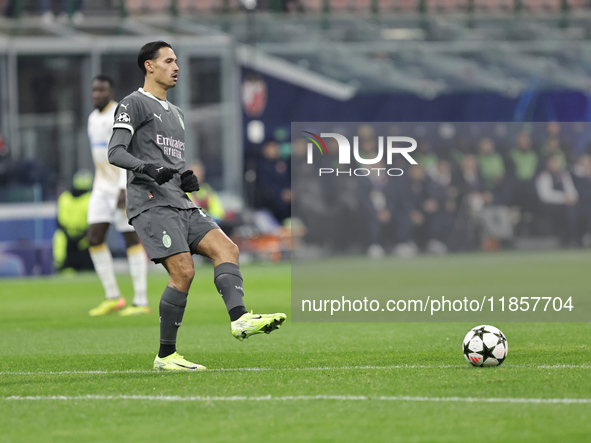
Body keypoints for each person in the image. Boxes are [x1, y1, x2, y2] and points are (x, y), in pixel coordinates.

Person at [107, 41, 286, 371]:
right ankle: (166, 355)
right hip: (150, 204)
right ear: (149, 66)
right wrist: (147, 169)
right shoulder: (133, 104)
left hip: (180, 201)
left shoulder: (177, 114)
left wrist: (184, 177)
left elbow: (170, 162)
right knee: (184, 271)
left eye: (177, 61)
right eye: (168, 61)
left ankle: (240, 318)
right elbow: (115, 152)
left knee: (227, 248)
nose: (176, 67)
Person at [86, 75, 149, 317]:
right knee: (94, 237)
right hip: (101, 186)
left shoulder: (118, 115)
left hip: (122, 187)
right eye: (94, 90)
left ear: (111, 92)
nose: (96, 94)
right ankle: (114, 296)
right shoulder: (92, 118)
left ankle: (141, 300)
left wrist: (125, 185)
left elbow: (126, 150)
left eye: (102, 90)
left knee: (130, 239)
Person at [52, 170, 94, 272]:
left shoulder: (64, 197)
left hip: (68, 240)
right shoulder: (91, 199)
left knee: (64, 269)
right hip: (83, 241)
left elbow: (58, 221)